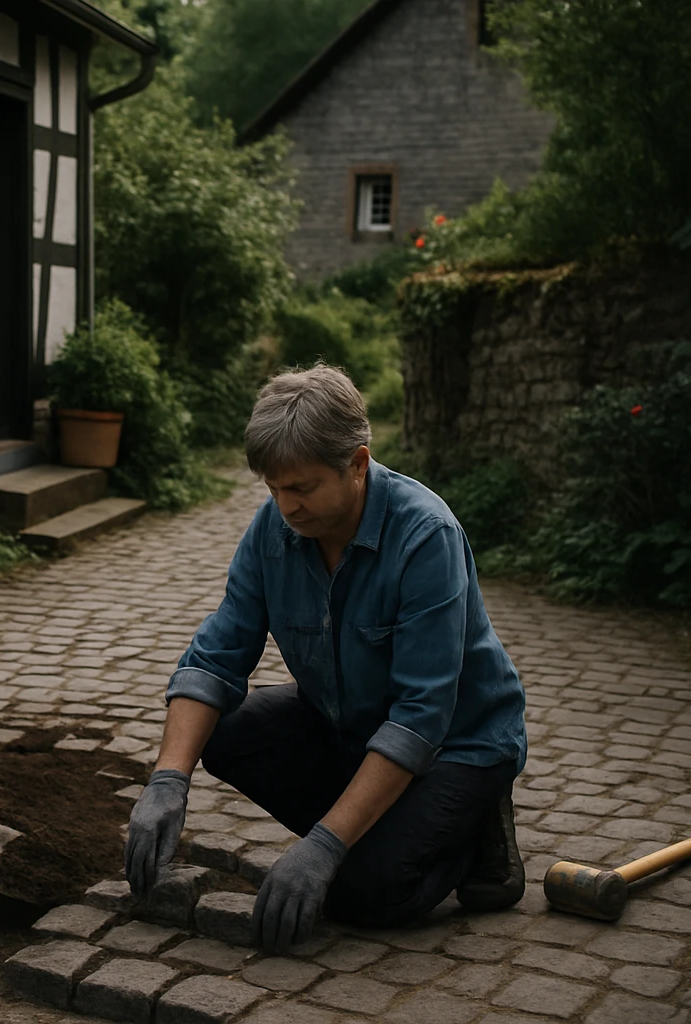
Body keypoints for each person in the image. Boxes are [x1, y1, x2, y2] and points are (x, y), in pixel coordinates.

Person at [123, 365, 528, 951]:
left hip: (458, 742)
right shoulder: (275, 529)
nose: (285, 506)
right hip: (349, 722)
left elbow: (422, 714)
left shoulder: (425, 536)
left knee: (363, 894)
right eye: (273, 488)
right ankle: (374, 822)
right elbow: (218, 653)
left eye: (302, 488)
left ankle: (472, 834)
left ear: (358, 464)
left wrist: (324, 847)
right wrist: (167, 781)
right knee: (224, 733)